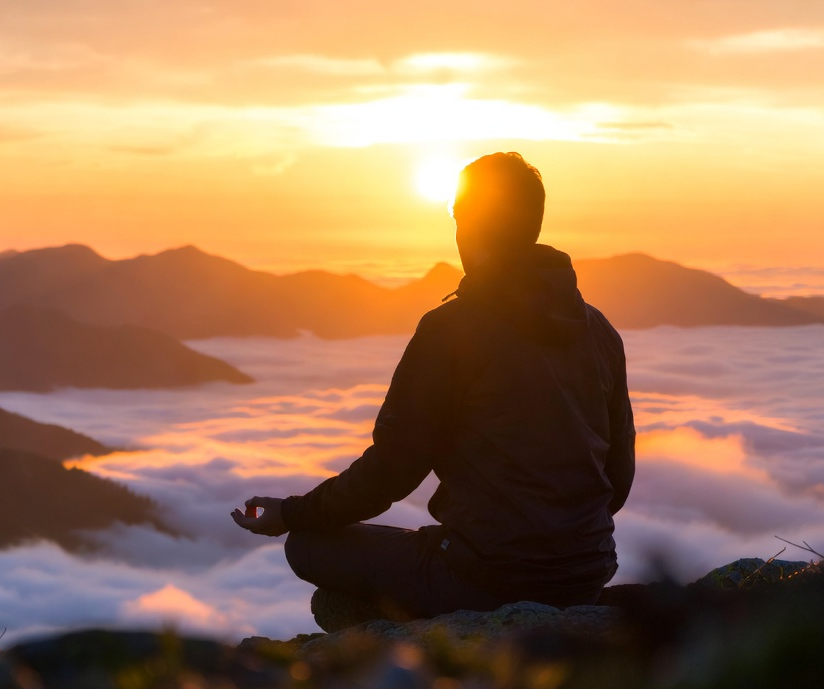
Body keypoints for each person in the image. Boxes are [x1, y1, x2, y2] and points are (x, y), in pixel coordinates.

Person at [231, 152, 634, 630]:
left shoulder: (452, 330)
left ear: (467, 224)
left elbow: (393, 469)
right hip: (586, 573)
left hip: (486, 576)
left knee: (308, 546)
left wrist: (293, 513)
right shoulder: (599, 332)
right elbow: (617, 478)